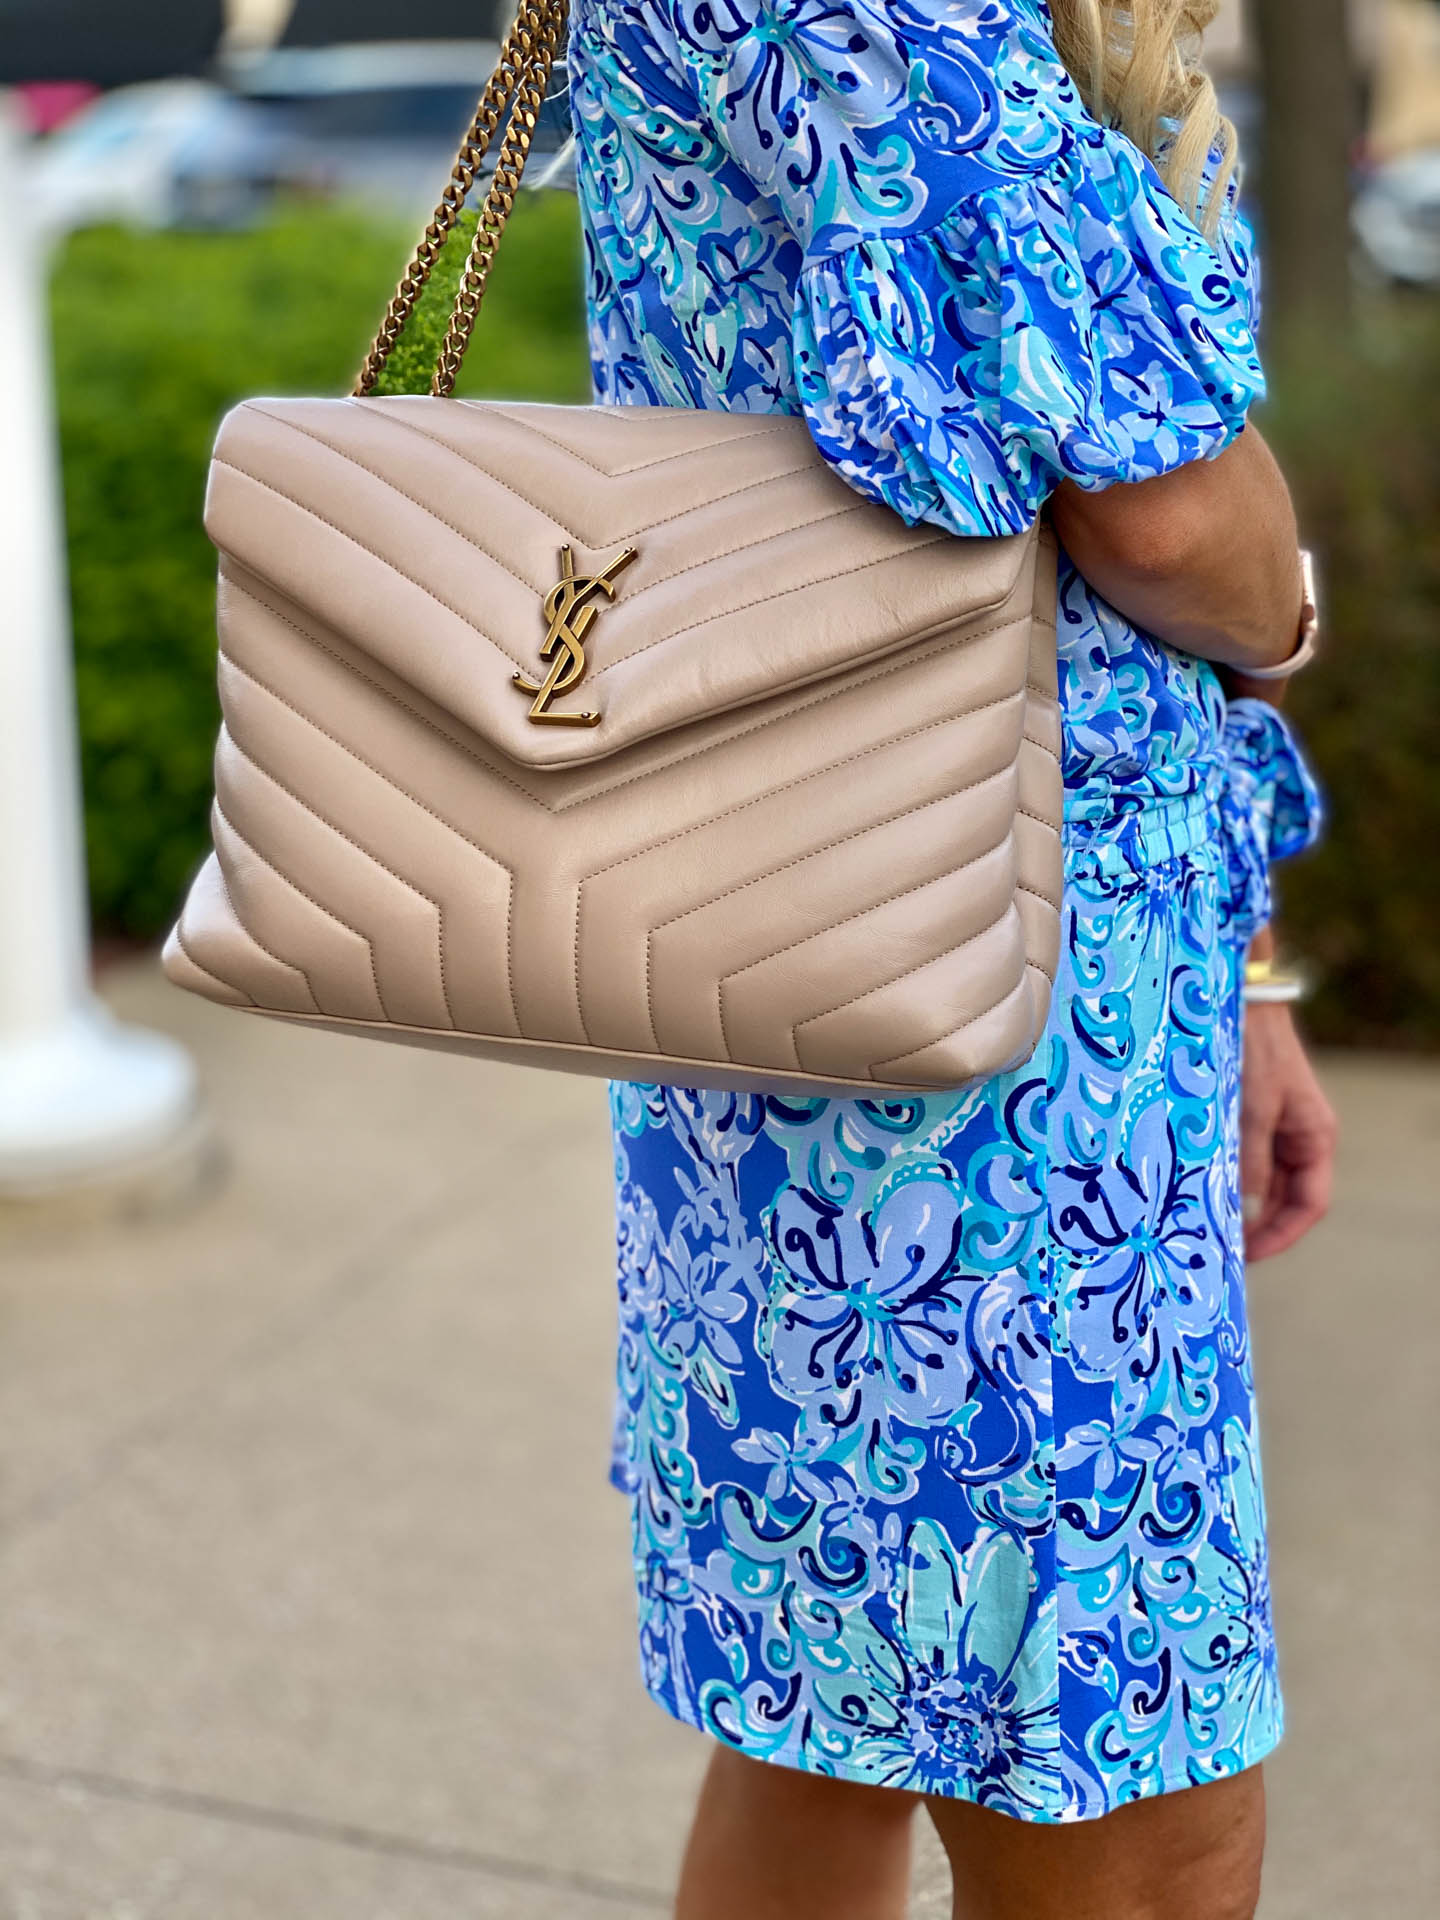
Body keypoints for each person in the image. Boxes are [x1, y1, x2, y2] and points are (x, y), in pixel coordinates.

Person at [565, 2, 1337, 1914]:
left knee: (829, 1742)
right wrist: (1290, 599)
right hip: (982, 1043)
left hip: (839, 960)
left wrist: (1241, 972)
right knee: (1142, 1826)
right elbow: (1161, 508)